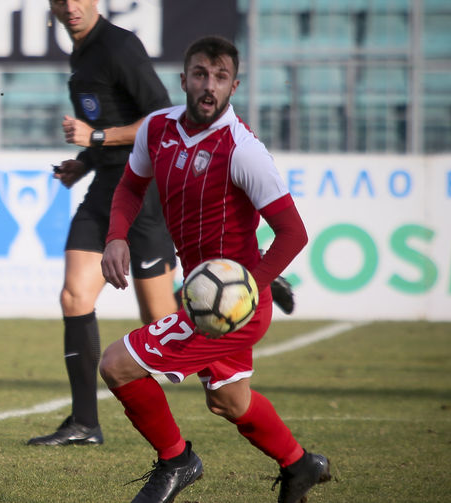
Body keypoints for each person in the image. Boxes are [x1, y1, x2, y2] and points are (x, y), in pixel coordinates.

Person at [100, 36, 331, 503]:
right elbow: (130, 187)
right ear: (183, 79)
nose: (209, 86)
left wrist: (253, 288)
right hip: (206, 295)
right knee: (229, 400)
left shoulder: (242, 149)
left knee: (117, 365)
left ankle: (176, 460)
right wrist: (116, 236)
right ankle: (299, 464)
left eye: (220, 78)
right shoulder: (157, 129)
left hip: (231, 306)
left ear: (234, 85)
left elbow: (292, 232)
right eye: (201, 75)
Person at [26, 0, 179, 446]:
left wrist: (94, 137)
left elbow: (162, 118)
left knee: (161, 319)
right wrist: (86, 161)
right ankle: (84, 423)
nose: (69, 7)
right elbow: (113, 121)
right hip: (105, 184)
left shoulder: (119, 46)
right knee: (75, 294)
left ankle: (225, 302)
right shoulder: (83, 52)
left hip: (143, 189)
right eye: (59, 0)